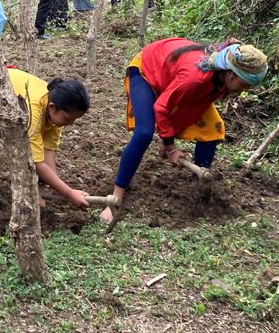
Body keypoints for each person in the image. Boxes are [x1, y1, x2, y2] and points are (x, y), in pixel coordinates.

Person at [100, 39, 269, 223]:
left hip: (174, 76)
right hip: (148, 70)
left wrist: (167, 138)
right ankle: (116, 197)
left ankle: (199, 187)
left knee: (213, 127)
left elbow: (192, 107)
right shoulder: (195, 78)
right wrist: (171, 147)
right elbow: (162, 108)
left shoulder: (219, 75)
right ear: (230, 74)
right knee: (144, 133)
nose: (245, 90)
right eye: (244, 85)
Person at [0, 68, 91, 223]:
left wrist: (42, 191)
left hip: (7, 103)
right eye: (68, 119)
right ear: (52, 107)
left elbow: (48, 153)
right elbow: (37, 164)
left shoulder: (54, 112)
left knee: (25, 153)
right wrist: (69, 193)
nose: (70, 124)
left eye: (74, 121)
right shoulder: (33, 113)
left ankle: (34, 192)